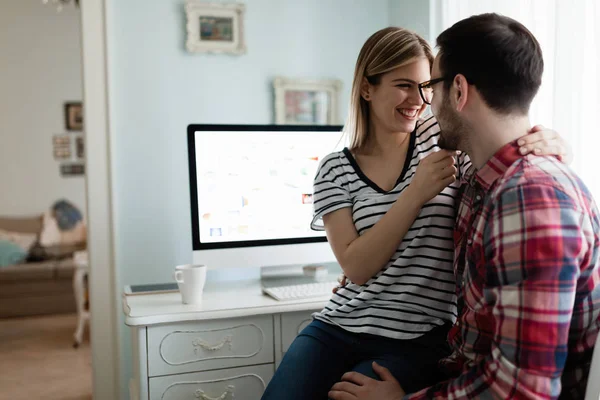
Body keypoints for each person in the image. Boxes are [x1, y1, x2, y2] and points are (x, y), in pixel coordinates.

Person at [261, 26, 570, 400]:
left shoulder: (445, 145)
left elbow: (501, 157)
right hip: (337, 327)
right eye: (404, 85)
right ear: (367, 88)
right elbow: (357, 268)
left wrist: (553, 143)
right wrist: (415, 194)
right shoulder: (334, 169)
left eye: (425, 87)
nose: (418, 100)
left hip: (418, 338)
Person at [328, 14, 600, 400]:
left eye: (429, 87)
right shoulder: (478, 182)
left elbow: (519, 392)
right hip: (453, 372)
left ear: (458, 91)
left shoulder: (528, 198)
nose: (426, 103)